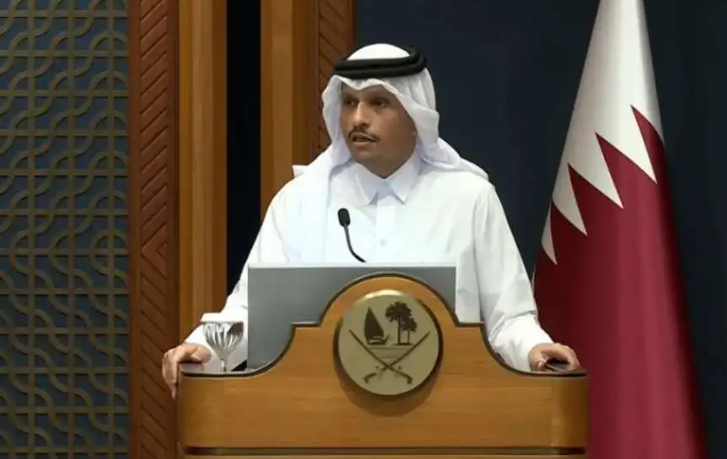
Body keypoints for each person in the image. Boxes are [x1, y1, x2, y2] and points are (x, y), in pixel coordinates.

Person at [161, 43, 579, 399]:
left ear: (415, 115)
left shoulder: (468, 199)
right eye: (349, 103)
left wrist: (535, 349)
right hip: (319, 420)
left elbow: (509, 316)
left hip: (444, 418)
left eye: (378, 103)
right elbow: (252, 309)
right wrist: (204, 348)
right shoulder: (300, 200)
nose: (358, 118)